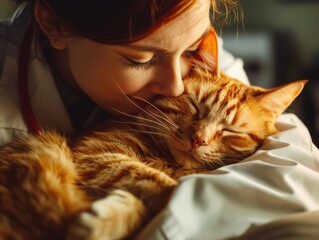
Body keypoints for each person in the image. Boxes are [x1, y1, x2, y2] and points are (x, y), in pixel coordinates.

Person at [0, 0, 318, 239]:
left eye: (191, 50)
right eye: (143, 59)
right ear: (57, 26)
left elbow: (292, 168)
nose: (177, 85)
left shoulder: (199, 63)